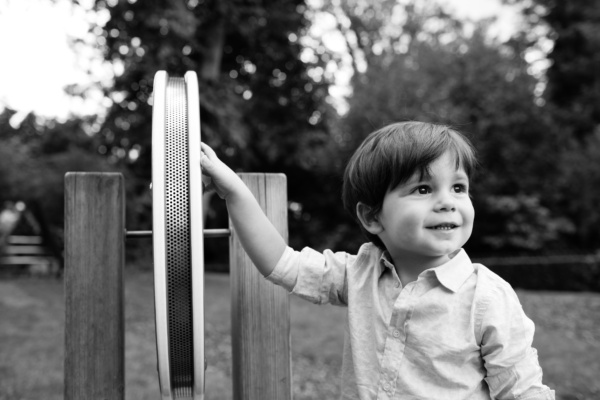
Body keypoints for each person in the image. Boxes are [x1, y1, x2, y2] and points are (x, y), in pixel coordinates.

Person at [200, 121, 555, 400]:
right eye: (423, 189)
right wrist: (234, 192)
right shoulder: (359, 274)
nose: (448, 201)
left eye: (458, 188)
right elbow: (282, 264)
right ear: (373, 218)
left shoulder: (488, 297)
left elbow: (521, 390)